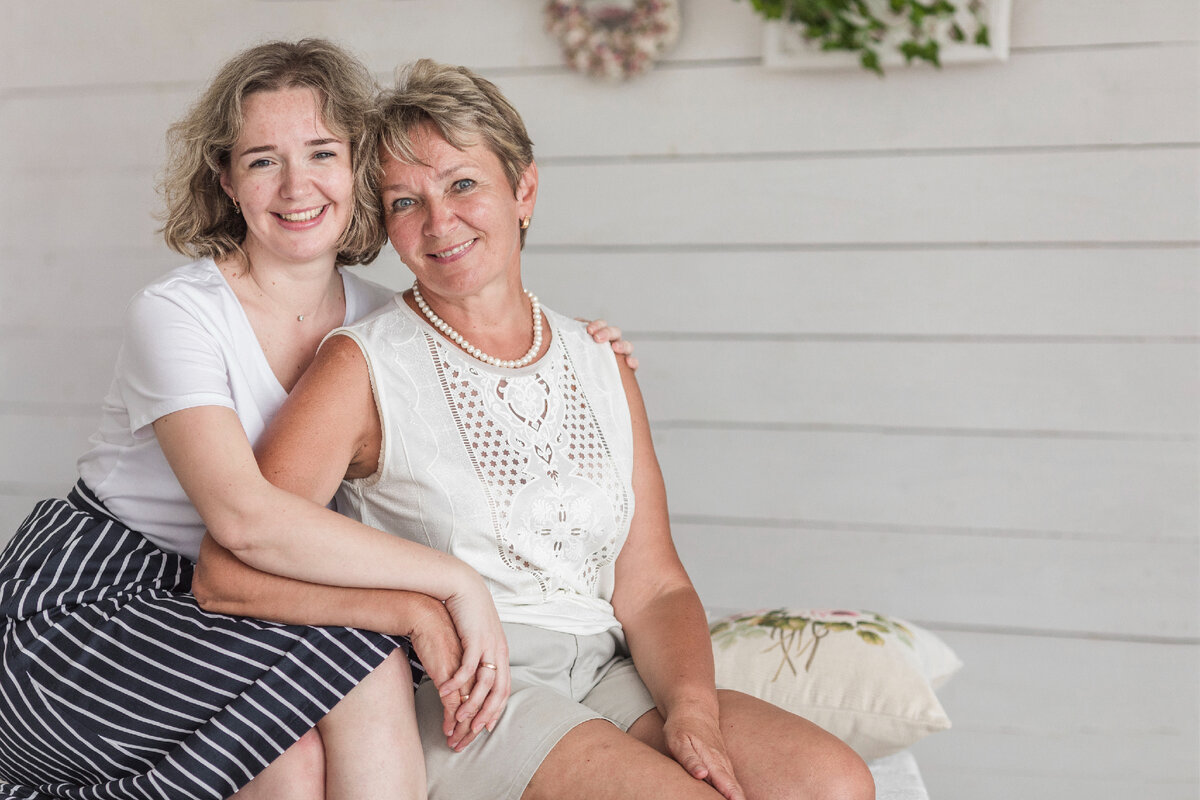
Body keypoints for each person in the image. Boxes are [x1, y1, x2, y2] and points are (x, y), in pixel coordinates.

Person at [195, 59, 876, 800]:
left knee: (834, 784)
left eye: (463, 184)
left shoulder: (598, 358)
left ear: (523, 189)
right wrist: (412, 613)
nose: (439, 221)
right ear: (386, 227)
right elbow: (228, 569)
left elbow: (651, 586)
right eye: (404, 202)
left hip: (606, 668)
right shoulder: (361, 368)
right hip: (474, 694)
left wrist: (691, 710)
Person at [0, 40, 632, 800]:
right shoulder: (178, 313)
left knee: (302, 748)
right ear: (227, 181)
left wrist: (589, 347)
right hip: (102, 601)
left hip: (263, 597)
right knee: (360, 670)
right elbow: (245, 521)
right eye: (262, 159)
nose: (297, 185)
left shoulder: (382, 325)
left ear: (360, 169)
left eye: (322, 152)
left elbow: (491, 352)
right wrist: (447, 587)